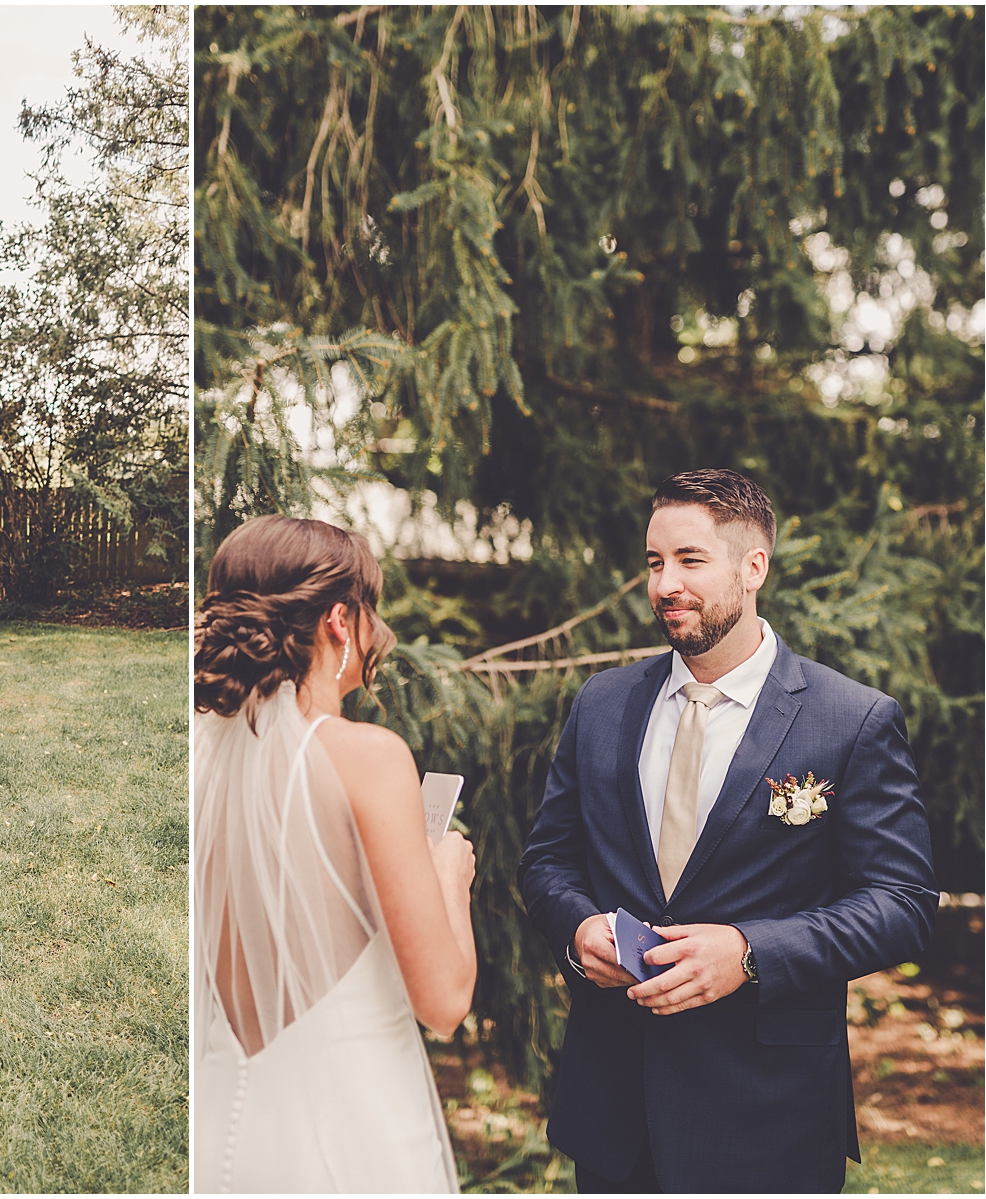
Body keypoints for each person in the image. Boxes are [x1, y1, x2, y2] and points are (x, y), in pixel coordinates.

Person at [518, 469, 937, 1193]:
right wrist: (579, 928)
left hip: (769, 1111)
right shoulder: (603, 703)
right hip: (617, 1107)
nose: (665, 583)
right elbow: (548, 860)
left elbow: (901, 903)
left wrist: (749, 951)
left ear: (754, 568)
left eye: (689, 559)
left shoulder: (850, 719)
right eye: (654, 562)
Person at [193, 514, 478, 1194]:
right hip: (348, 1140)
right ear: (340, 621)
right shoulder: (368, 757)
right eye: (372, 610)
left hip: (221, 1127)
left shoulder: (202, 753)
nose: (383, 633)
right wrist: (448, 878)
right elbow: (443, 1001)